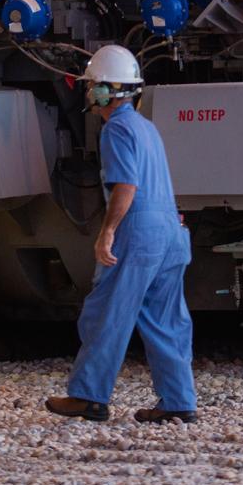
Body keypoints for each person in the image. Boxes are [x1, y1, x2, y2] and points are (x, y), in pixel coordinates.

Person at [45, 45, 198, 424]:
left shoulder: (116, 129)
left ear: (105, 90)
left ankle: (89, 396)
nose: (87, 92)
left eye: (91, 86)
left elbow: (126, 187)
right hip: (172, 233)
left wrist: (107, 232)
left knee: (107, 314)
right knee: (166, 320)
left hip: (140, 233)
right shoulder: (146, 128)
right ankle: (179, 402)